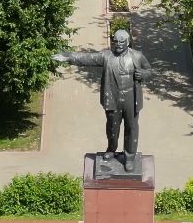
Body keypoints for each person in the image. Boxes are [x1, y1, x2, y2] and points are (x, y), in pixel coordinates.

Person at [53, 29, 153, 169]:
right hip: (113, 98)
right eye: (115, 41)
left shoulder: (137, 56)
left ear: (128, 42)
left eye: (121, 41)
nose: (117, 44)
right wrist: (69, 57)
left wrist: (143, 75)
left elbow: (149, 71)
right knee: (112, 127)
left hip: (131, 98)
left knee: (131, 128)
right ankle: (111, 149)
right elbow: (88, 58)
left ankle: (129, 157)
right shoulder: (107, 56)